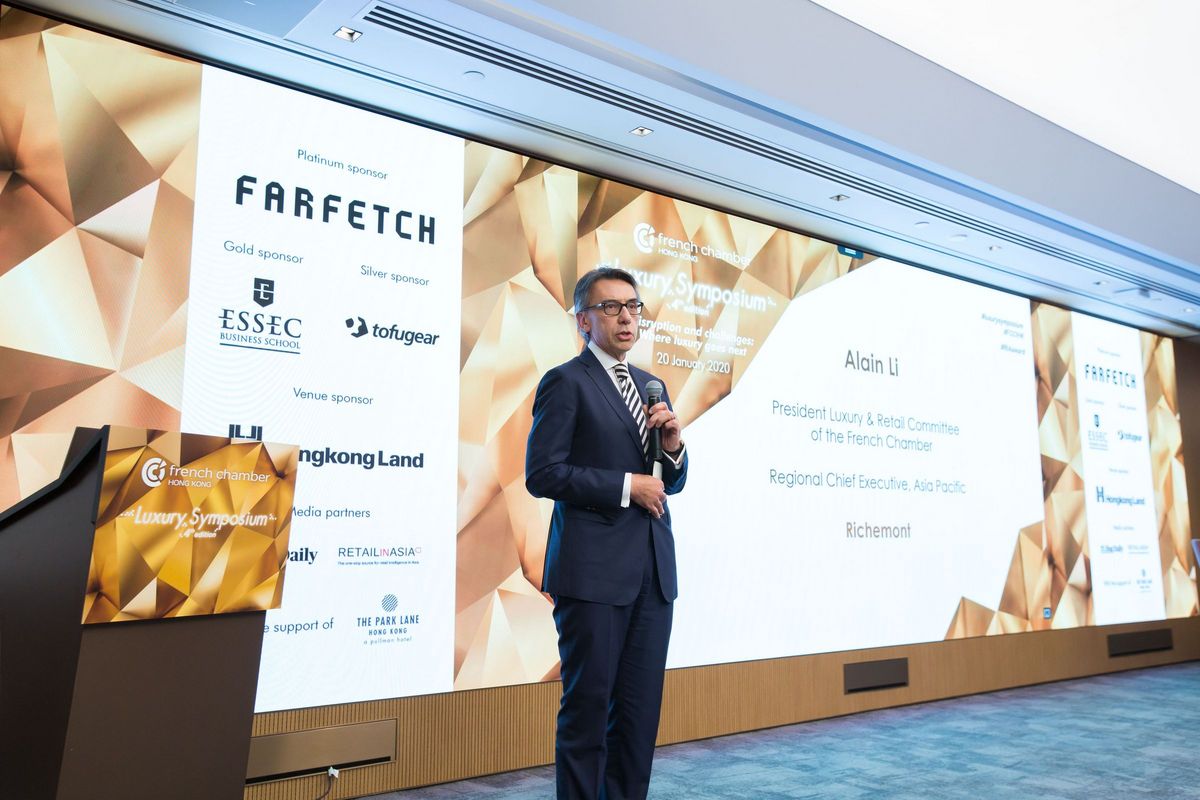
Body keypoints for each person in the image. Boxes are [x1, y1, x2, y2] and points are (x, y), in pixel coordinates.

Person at [526, 266, 688, 800]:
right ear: (583, 321)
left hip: (652, 575)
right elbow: (542, 473)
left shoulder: (651, 385)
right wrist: (625, 486)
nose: (626, 317)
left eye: (633, 306)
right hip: (592, 574)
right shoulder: (566, 382)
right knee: (589, 713)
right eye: (611, 307)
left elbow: (669, 482)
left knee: (638, 720)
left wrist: (673, 448)